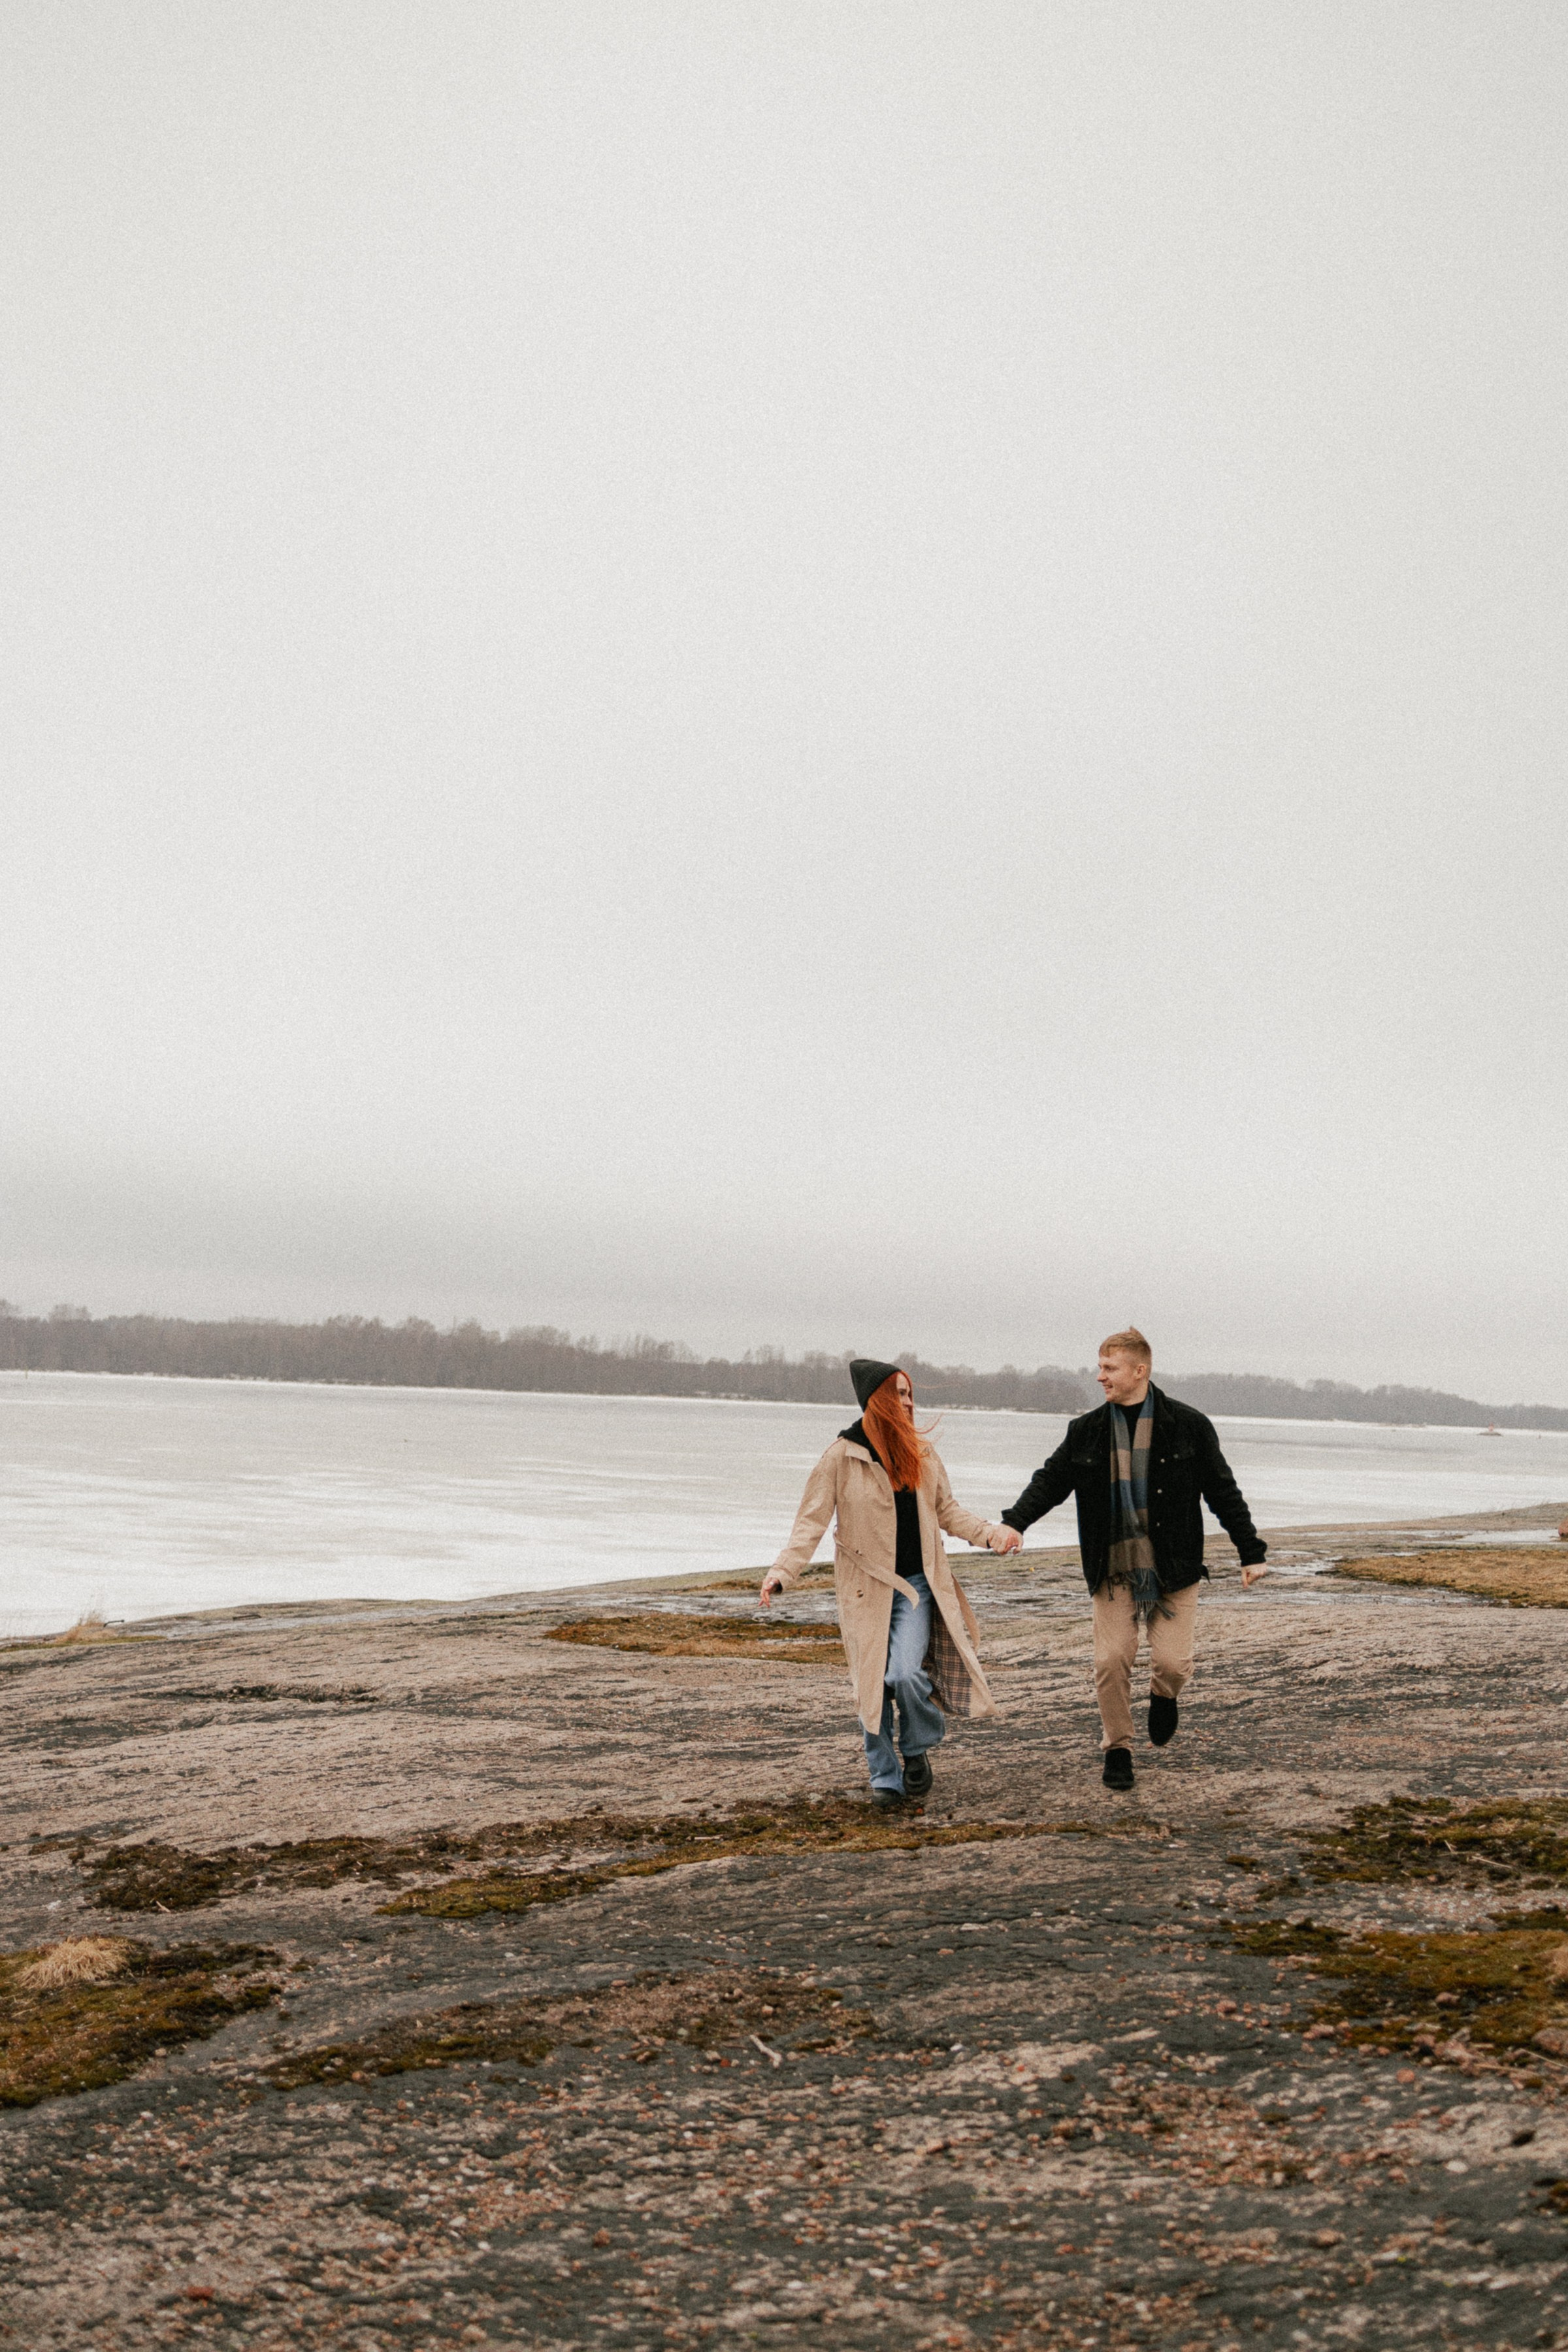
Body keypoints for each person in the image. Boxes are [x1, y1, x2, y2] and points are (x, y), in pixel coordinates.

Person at [992, 1327, 1267, 1789]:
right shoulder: (1086, 1432)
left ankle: (1164, 1694)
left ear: (1140, 1371)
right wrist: (1015, 1522)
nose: (1100, 1376)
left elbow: (1223, 1490)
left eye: (1109, 1368)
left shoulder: (1189, 1425)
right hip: (1112, 1566)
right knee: (1111, 1660)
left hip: (1175, 1565)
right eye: (1100, 1367)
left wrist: (1250, 1550)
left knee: (1174, 1663)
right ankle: (1118, 1748)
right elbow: (1051, 1481)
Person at [760, 1358, 1015, 1808]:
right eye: (899, 1394)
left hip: (915, 1586)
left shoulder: (922, 1453)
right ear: (877, 1401)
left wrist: (990, 1533)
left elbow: (948, 1511)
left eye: (910, 1393)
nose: (909, 1401)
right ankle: (884, 1778)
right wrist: (782, 1572)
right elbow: (810, 1524)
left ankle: (916, 1747)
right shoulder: (842, 1456)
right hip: (864, 1590)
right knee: (871, 1685)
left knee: (904, 1674)